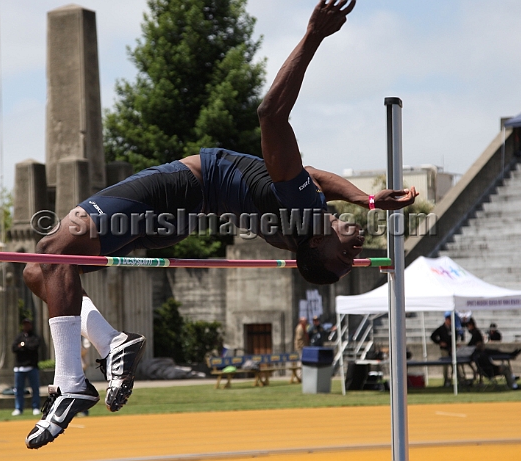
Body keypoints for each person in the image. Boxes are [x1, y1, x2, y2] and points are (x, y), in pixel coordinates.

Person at [21, 0, 418, 449]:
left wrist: (313, 35)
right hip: (182, 217)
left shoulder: (304, 211)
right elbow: (315, 175)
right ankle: (111, 344)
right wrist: (363, 196)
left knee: (52, 248)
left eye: (345, 257)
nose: (357, 248)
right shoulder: (303, 211)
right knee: (42, 272)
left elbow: (271, 113)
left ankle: (71, 380)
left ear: (314, 244)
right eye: (356, 256)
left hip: (178, 190)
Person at [11, 318, 41, 416]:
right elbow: (14, 348)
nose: (26, 326)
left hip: (31, 367)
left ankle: (36, 407)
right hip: (19, 368)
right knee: (19, 390)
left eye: (28, 324)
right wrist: (22, 346)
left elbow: (34, 347)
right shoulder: (19, 337)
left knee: (35, 389)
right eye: (25, 324)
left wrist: (23, 346)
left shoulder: (34, 337)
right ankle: (18, 408)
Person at [430, 313, 453, 386]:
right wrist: (439, 342)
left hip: (451, 348)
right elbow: (433, 336)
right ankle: (446, 380)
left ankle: (453, 379)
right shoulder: (441, 328)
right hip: (444, 349)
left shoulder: (452, 328)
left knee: (454, 364)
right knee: (445, 365)